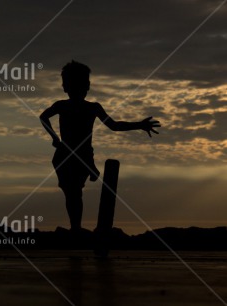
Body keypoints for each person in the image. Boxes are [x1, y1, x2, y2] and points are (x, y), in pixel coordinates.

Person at [39, 60, 160, 231]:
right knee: (72, 192)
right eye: (73, 85)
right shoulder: (62, 106)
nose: (77, 89)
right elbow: (43, 117)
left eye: (80, 85)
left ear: (87, 86)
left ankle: (76, 225)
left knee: (74, 192)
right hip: (64, 155)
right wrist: (54, 138)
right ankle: (76, 226)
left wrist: (139, 125)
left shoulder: (92, 108)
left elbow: (114, 125)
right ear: (65, 87)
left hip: (81, 154)